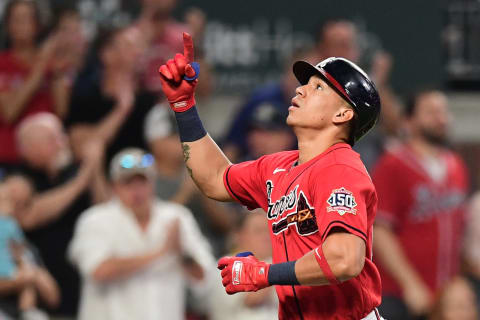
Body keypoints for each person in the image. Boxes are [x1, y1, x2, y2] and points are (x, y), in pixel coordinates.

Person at [158, 33, 383, 319]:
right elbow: (214, 178)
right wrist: (184, 107)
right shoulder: (278, 167)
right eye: (306, 84)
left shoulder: (340, 168)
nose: (301, 90)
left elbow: (344, 259)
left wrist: (266, 273)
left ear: (342, 115)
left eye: (318, 87)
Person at [68, 148, 215, 320]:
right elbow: (98, 270)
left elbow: (204, 277)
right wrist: (160, 253)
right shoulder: (95, 219)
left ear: (153, 183)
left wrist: (180, 252)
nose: (136, 190)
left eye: (142, 182)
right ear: (114, 186)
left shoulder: (177, 217)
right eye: (128, 183)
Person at [372, 89, 469, 320]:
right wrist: (410, 284)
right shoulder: (392, 164)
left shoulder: (456, 164)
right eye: (431, 112)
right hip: (399, 293)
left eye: (443, 111)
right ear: (409, 121)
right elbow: (380, 231)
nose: (441, 118)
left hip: (444, 297)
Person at [15, 112, 108, 317]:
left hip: (83, 285)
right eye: (53, 138)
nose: (62, 143)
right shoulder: (18, 177)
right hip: (42, 291)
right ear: (29, 146)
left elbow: (106, 211)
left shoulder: (73, 172)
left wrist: (95, 169)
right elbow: (31, 216)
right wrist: (85, 174)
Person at [144, 104, 236, 257]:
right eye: (173, 135)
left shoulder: (201, 169)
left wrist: (205, 191)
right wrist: (186, 192)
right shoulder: (143, 177)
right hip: (161, 256)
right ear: (155, 141)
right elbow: (153, 230)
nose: (181, 140)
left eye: (183, 133)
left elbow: (227, 225)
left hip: (208, 255)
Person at [0, 0, 81, 169]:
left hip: (50, 157)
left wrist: (58, 71)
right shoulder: (3, 63)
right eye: (16, 19)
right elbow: (9, 111)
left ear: (38, 25)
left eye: (27, 19)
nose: (22, 25)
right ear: (7, 25)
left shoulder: (53, 63)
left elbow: (62, 111)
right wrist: (41, 67)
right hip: (12, 156)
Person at [67, 27, 157, 167]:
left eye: (141, 46)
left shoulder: (150, 100)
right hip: (95, 176)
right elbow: (83, 149)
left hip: (139, 177)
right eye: (130, 46)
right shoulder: (85, 96)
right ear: (107, 54)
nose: (139, 52)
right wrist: (122, 109)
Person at [0, 174, 59, 320]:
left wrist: (32, 275)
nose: (10, 207)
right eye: (6, 199)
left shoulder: (24, 244)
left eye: (17, 202)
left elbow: (53, 296)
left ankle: (27, 310)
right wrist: (20, 280)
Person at [208, 210, 278, 320]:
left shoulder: (273, 263)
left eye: (269, 231)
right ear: (239, 235)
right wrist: (279, 268)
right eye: (258, 231)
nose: (266, 237)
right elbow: (252, 299)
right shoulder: (226, 264)